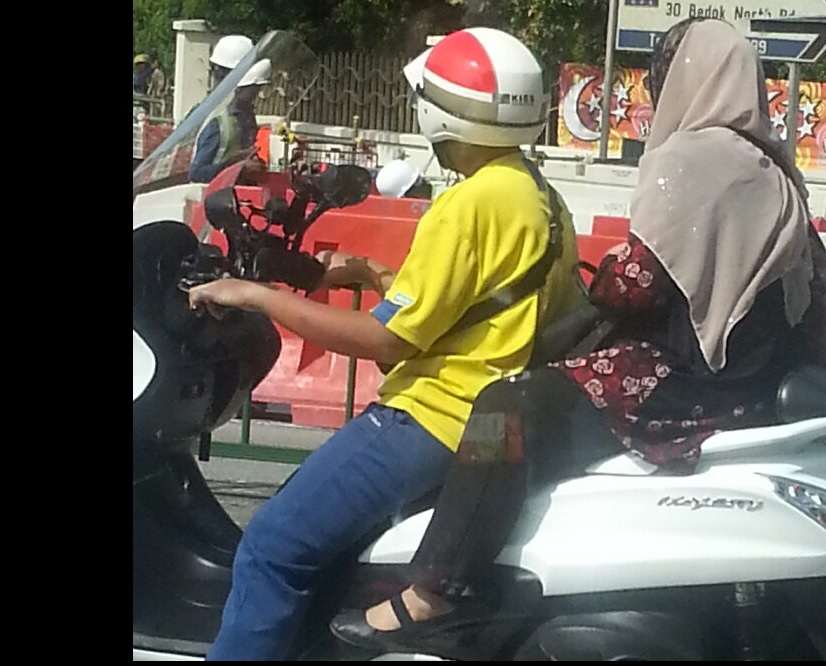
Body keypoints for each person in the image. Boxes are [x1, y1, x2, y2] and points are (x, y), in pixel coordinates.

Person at [329, 16, 826, 651]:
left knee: (504, 407)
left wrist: (598, 297)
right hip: (751, 385)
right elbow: (819, 290)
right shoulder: (776, 168)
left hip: (681, 381)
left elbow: (636, 283)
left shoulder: (687, 158)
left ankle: (435, 588)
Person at [187, 26, 585, 661]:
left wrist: (255, 295)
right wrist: (373, 275)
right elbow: (488, 304)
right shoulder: (537, 194)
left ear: (439, 109)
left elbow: (388, 340)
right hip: (490, 416)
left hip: (429, 416)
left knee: (271, 546)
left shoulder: (467, 204)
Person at [188, 58, 272, 184]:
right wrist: (235, 167)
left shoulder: (248, 120)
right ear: (239, 89)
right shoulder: (218, 124)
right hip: (213, 194)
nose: (256, 96)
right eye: (253, 91)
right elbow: (196, 174)